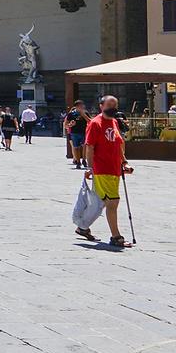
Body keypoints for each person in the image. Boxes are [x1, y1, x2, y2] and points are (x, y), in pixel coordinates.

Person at [74, 94, 131, 248]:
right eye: (109, 105)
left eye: (115, 106)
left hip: (114, 169)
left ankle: (82, 227)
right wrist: (90, 167)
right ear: (101, 106)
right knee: (113, 202)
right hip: (102, 169)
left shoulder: (114, 122)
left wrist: (124, 162)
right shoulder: (95, 123)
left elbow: (118, 145)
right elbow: (90, 147)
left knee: (101, 202)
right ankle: (116, 237)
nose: (112, 108)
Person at [64, 102, 87, 168]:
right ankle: (78, 162)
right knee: (76, 147)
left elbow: (90, 121)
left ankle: (84, 160)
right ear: (76, 107)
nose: (82, 107)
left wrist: (84, 115)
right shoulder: (71, 114)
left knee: (84, 146)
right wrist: (70, 124)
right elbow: (66, 125)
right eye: (80, 106)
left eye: (82, 106)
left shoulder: (85, 113)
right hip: (74, 133)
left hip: (84, 132)